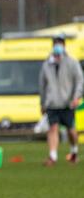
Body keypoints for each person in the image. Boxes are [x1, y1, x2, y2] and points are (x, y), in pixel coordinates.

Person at [39, 34, 83, 166]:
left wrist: (76, 97)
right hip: (52, 103)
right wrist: (42, 102)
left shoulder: (72, 62)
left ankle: (74, 151)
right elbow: (42, 84)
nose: (57, 46)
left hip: (67, 102)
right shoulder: (47, 64)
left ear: (64, 46)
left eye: (60, 43)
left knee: (71, 130)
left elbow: (80, 81)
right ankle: (53, 156)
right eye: (55, 44)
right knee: (53, 128)